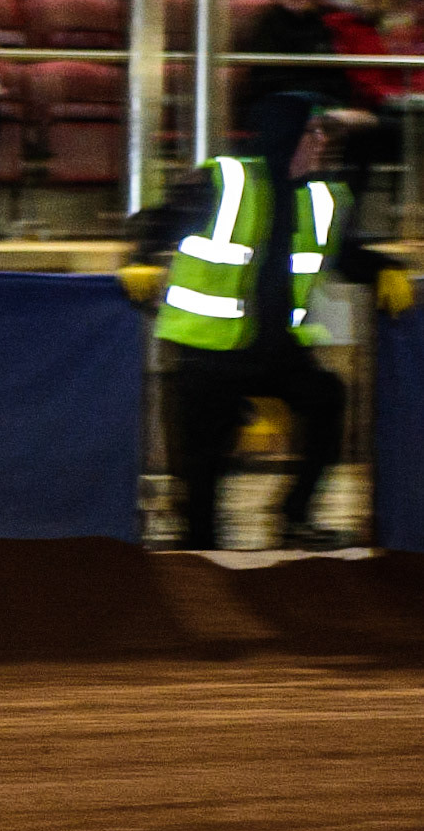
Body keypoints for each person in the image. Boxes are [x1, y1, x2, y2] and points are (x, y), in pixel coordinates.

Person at [126, 97, 415, 550]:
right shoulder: (224, 180)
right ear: (285, 136)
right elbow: (159, 222)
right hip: (208, 349)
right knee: (202, 469)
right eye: (311, 133)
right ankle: (198, 540)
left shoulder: (325, 197)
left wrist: (383, 269)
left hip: (277, 349)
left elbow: (344, 254)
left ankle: (293, 517)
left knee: (327, 399)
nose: (321, 143)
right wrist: (141, 259)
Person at [324, 0, 424, 204]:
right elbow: (359, 78)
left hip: (410, 110)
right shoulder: (337, 25)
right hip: (367, 110)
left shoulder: (412, 25)